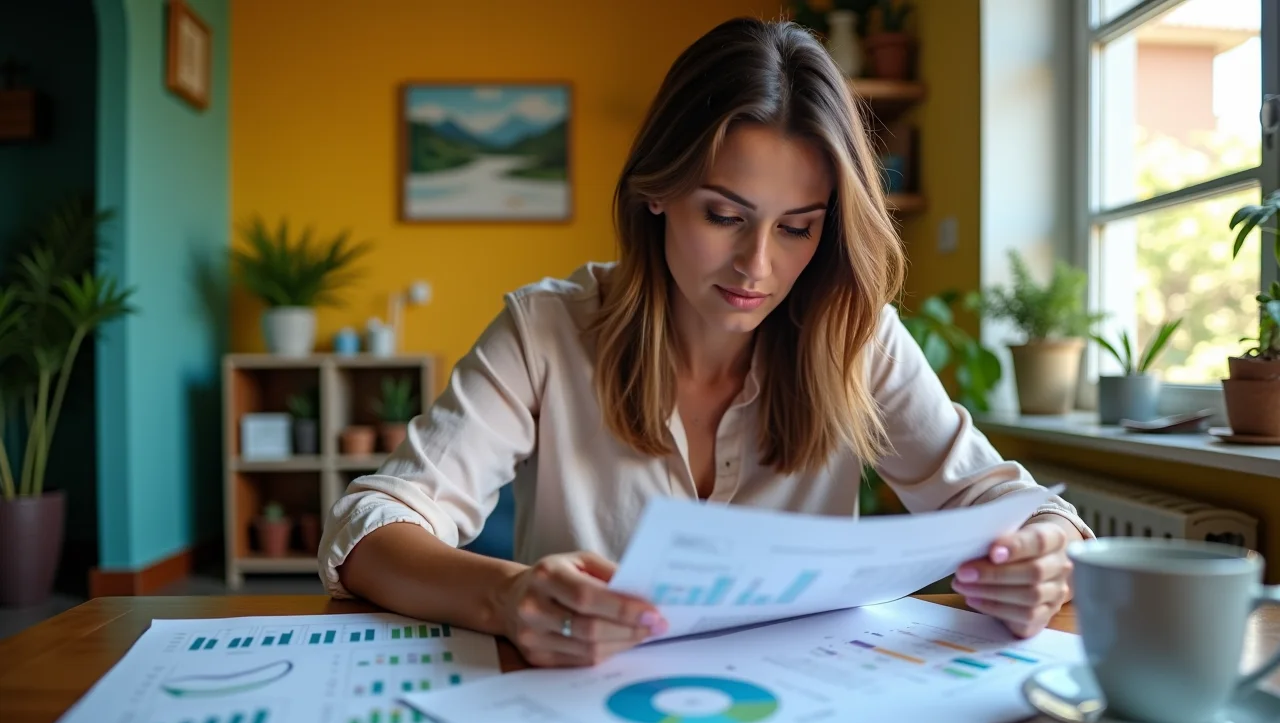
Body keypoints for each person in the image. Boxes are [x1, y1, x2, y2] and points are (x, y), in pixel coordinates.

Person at [320, 17, 1093, 668]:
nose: (759, 267)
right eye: (724, 216)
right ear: (656, 191)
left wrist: (1043, 553)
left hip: (807, 715)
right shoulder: (545, 330)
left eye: (797, 228)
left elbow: (1015, 506)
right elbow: (375, 524)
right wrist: (507, 595)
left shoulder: (854, 337)